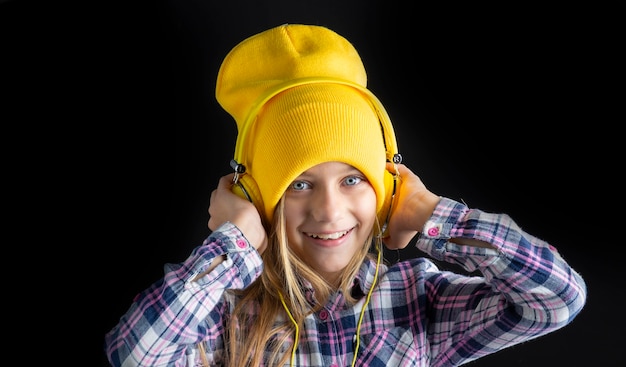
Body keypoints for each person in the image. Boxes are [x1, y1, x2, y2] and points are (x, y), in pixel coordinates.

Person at [104, 23, 587, 367]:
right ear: (255, 196)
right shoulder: (223, 310)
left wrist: (431, 214)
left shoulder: (420, 302)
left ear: (387, 185)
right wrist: (234, 243)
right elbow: (136, 355)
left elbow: (555, 300)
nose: (329, 210)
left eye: (353, 179)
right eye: (299, 183)